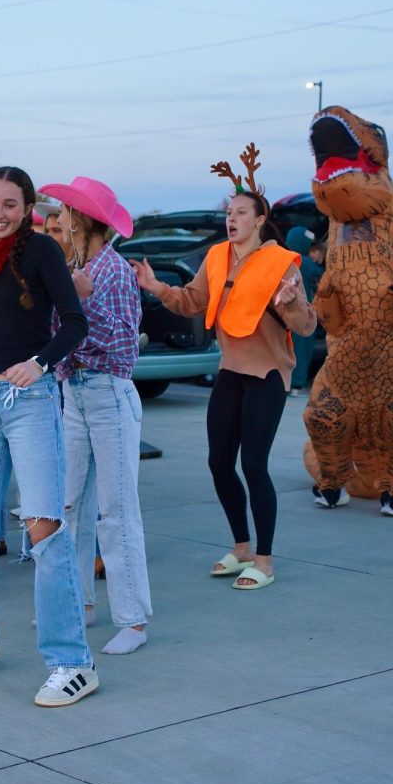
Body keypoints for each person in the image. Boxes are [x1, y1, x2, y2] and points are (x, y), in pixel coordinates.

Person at [0, 166, 95, 707]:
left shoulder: (41, 252)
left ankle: (72, 662)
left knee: (44, 530)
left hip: (29, 401)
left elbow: (75, 324)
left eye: (10, 204)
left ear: (28, 206)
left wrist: (39, 363)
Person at [133, 148, 316, 591]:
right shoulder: (215, 257)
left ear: (259, 219)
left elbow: (307, 324)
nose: (231, 219)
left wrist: (292, 303)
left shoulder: (281, 263)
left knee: (254, 465)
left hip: (268, 373)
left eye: (239, 213)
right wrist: (157, 286)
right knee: (219, 462)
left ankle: (266, 561)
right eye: (228, 213)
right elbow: (194, 302)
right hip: (231, 370)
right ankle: (241, 549)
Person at [41, 176, 150, 655]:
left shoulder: (115, 270)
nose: (60, 218)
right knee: (68, 506)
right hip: (75, 394)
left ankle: (132, 620)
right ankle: (78, 603)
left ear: (82, 218)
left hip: (107, 392)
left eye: (65, 211)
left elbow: (124, 347)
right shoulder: (76, 266)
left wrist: (80, 302)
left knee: (115, 509)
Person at [285, 226, 318, 396]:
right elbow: (324, 276)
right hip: (303, 313)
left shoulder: (283, 259)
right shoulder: (306, 262)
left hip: (285, 311)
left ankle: (286, 383)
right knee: (302, 350)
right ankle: (297, 385)